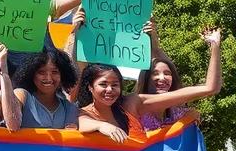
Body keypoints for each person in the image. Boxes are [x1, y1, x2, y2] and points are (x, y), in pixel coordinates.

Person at [76, 26, 223, 144]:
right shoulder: (84, 113)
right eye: (103, 84)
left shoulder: (133, 102)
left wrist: (215, 46)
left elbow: (210, 88)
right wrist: (102, 126)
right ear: (90, 87)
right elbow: (81, 123)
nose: (110, 89)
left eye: (115, 84)